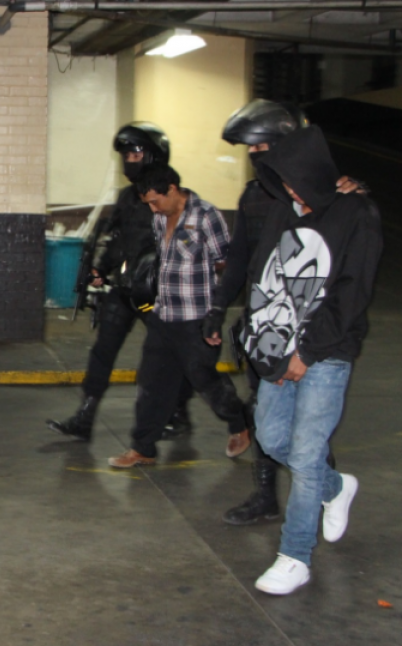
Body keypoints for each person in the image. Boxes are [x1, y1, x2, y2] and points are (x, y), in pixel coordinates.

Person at [243, 125, 381, 595]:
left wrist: (309, 350)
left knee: (304, 453)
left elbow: (351, 293)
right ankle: (335, 487)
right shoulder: (284, 210)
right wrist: (261, 342)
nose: (291, 190)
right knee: (271, 438)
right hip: (278, 352)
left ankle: (295, 555)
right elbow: (265, 275)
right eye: (283, 181)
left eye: (296, 180)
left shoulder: (355, 212)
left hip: (328, 352)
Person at [209, 100, 362, 526]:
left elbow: (343, 258)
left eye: (264, 150)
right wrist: (218, 310)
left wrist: (351, 188)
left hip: (311, 331)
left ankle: (317, 495)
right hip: (263, 326)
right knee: (266, 418)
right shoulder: (256, 197)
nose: (258, 161)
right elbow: (240, 257)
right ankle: (265, 495)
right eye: (251, 153)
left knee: (308, 426)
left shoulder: (330, 194)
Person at [47, 123, 193, 442]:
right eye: (126, 154)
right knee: (103, 350)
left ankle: (179, 413)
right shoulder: (128, 197)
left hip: (159, 293)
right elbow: (118, 240)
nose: (130, 159)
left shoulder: (170, 192)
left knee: (169, 352)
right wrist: (100, 268)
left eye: (136, 152)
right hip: (127, 288)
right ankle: (85, 415)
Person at [108, 163, 250, 468]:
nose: (154, 209)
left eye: (156, 201)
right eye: (148, 204)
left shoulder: (206, 216)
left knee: (205, 380)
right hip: (163, 314)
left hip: (195, 317)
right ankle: (143, 447)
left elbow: (228, 261)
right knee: (152, 383)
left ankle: (240, 423)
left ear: (173, 189)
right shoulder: (160, 218)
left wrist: (215, 310)